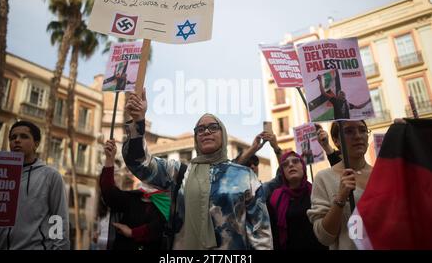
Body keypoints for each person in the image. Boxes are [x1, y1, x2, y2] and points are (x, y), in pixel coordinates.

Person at [122, 90, 273, 250]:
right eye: (200, 130)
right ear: (196, 138)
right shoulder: (178, 173)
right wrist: (137, 122)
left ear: (224, 135)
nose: (206, 131)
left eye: (213, 127)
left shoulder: (245, 176)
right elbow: (139, 163)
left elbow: (261, 234)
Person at [0, 120, 70, 250]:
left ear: (36, 144)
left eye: (24, 137)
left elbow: (59, 219)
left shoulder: (50, 176)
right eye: (13, 137)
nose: (17, 140)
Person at [307, 120, 373, 249]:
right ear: (336, 141)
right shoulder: (323, 178)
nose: (358, 136)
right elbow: (324, 237)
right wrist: (340, 198)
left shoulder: (381, 174)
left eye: (363, 130)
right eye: (349, 131)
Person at [100, 139, 169, 250]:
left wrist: (132, 233)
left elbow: (157, 229)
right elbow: (109, 193)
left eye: (152, 172)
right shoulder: (134, 198)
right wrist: (109, 159)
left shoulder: (168, 204)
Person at [268, 151, 327, 250]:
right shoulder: (275, 197)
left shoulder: (316, 191)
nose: (291, 165)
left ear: (303, 167)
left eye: (295, 161)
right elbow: (273, 234)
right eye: (285, 164)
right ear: (283, 172)